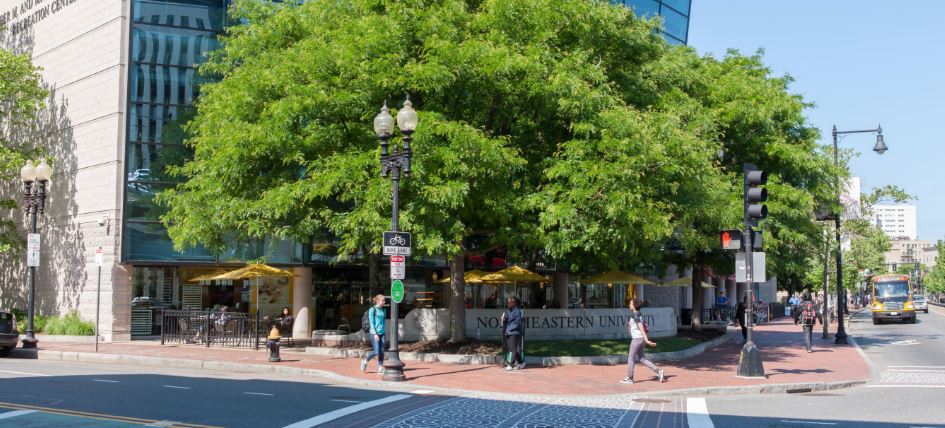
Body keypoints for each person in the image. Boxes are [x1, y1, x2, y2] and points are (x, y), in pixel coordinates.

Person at [622, 298, 664, 384]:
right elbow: (637, 326)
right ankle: (659, 371)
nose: (629, 305)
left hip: (637, 339)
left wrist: (647, 340)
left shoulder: (636, 315)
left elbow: (641, 328)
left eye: (630, 304)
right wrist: (630, 326)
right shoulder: (638, 313)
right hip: (640, 339)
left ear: (634, 305)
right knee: (642, 359)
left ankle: (630, 378)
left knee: (631, 358)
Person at [360, 294, 386, 374]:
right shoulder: (372, 310)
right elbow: (371, 322)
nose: (384, 302)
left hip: (382, 333)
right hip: (374, 333)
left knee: (382, 351)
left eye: (384, 301)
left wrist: (383, 332)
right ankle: (365, 361)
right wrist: (375, 334)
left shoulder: (384, 310)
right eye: (382, 301)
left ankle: (380, 367)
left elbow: (383, 322)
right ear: (378, 301)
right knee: (377, 351)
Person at [501, 296, 525, 371]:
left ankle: (511, 365)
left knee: (513, 350)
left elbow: (518, 323)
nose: (507, 304)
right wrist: (504, 319)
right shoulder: (510, 311)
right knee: (513, 349)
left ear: (513, 303)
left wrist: (511, 329)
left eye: (508, 302)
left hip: (514, 332)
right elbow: (508, 320)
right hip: (509, 332)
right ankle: (521, 363)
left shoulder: (517, 311)